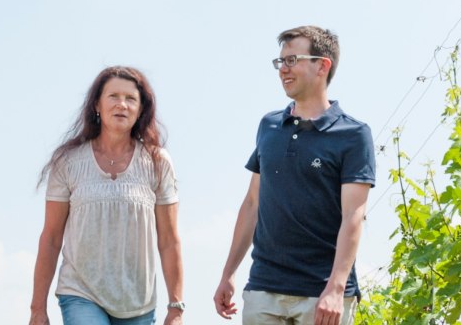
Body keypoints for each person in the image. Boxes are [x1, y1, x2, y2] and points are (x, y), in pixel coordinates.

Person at [213, 26, 375, 325]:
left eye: (292, 60)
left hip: (321, 295)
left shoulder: (353, 134)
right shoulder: (269, 126)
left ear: (322, 66)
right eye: (280, 61)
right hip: (263, 289)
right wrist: (228, 273)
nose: (283, 69)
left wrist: (336, 288)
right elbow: (252, 203)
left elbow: (353, 215)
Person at [29, 66, 185, 325]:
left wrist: (176, 308)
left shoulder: (158, 163)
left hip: (138, 301)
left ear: (140, 110)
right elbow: (51, 238)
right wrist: (37, 308)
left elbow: (169, 240)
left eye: (130, 98)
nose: (122, 104)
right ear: (97, 105)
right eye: (113, 96)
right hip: (80, 291)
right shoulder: (68, 162)